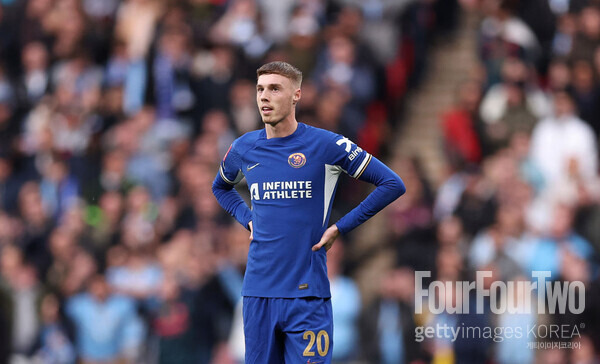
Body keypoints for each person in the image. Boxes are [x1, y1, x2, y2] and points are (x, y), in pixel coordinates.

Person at [212, 61, 406, 363]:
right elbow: (220, 188)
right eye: (260, 89)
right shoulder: (243, 147)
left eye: (275, 88)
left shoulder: (326, 144)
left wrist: (340, 227)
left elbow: (391, 183)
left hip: (307, 296)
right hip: (257, 294)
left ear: (296, 95)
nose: (264, 96)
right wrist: (247, 219)